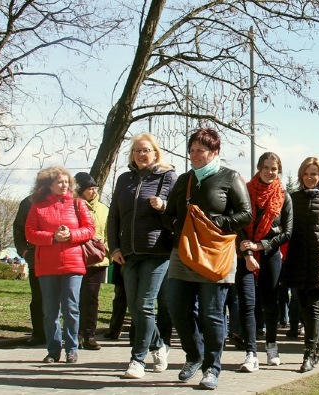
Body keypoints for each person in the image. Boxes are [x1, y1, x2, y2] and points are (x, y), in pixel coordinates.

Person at [163, 128, 252, 390]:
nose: (194, 155)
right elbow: (168, 215)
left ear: (215, 152)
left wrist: (216, 222)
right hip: (185, 252)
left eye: (200, 150)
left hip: (216, 254)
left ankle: (212, 368)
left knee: (213, 314)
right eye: (191, 150)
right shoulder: (184, 180)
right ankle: (194, 354)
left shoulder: (230, 177)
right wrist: (180, 225)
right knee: (176, 307)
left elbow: (246, 214)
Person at [107, 134, 177, 379]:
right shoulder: (124, 179)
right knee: (135, 307)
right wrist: (114, 248)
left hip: (157, 251)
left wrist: (164, 206)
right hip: (128, 252)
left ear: (155, 153)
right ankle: (159, 345)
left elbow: (178, 209)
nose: (141, 154)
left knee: (145, 304)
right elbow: (113, 216)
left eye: (146, 150)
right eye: (137, 150)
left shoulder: (168, 176)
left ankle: (137, 360)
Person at [25, 166, 95, 363]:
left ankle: (72, 349)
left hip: (73, 264)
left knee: (71, 308)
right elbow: (30, 233)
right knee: (50, 311)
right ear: (48, 185)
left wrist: (71, 235)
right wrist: (52, 237)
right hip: (47, 265)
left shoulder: (78, 204)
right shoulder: (37, 206)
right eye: (60, 182)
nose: (64, 185)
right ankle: (53, 350)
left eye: (67, 182)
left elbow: (90, 230)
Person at [282, 157, 319, 373]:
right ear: (301, 175)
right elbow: (285, 227)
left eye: (314, 174)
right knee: (302, 305)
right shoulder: (292, 198)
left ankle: (310, 353)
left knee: (315, 306)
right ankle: (318, 345)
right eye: (306, 174)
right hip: (297, 258)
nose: (310, 177)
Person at [236, 152, 293, 372]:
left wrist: (260, 246)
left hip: (270, 254)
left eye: (274, 169)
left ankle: (271, 345)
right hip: (245, 255)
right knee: (248, 303)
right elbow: (237, 224)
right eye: (266, 167)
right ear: (259, 168)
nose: (270, 172)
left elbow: (287, 232)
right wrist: (247, 251)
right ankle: (251, 353)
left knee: (270, 304)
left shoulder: (284, 196)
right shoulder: (244, 191)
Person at [73, 172, 109, 351]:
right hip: (76, 258)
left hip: (97, 261)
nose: (93, 192)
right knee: (75, 297)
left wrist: (107, 251)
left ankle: (89, 335)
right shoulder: (72, 206)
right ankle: (75, 334)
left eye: (95, 188)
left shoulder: (103, 209)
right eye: (89, 189)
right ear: (80, 190)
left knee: (92, 298)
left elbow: (110, 232)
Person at [13, 195, 46, 347]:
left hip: (62, 258)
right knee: (39, 298)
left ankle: (64, 334)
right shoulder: (29, 202)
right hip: (37, 258)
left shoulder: (68, 200)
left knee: (67, 300)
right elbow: (18, 229)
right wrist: (25, 252)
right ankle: (39, 334)